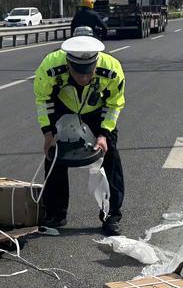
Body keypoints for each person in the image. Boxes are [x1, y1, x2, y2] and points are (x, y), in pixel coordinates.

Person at [33, 34, 126, 237]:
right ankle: (56, 213)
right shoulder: (50, 67)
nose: (84, 78)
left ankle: (112, 215)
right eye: (79, 73)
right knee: (54, 155)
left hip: (97, 108)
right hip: (62, 105)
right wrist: (47, 134)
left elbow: (115, 104)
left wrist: (103, 134)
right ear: (68, 65)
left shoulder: (111, 69)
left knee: (110, 156)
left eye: (89, 73)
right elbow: (42, 99)